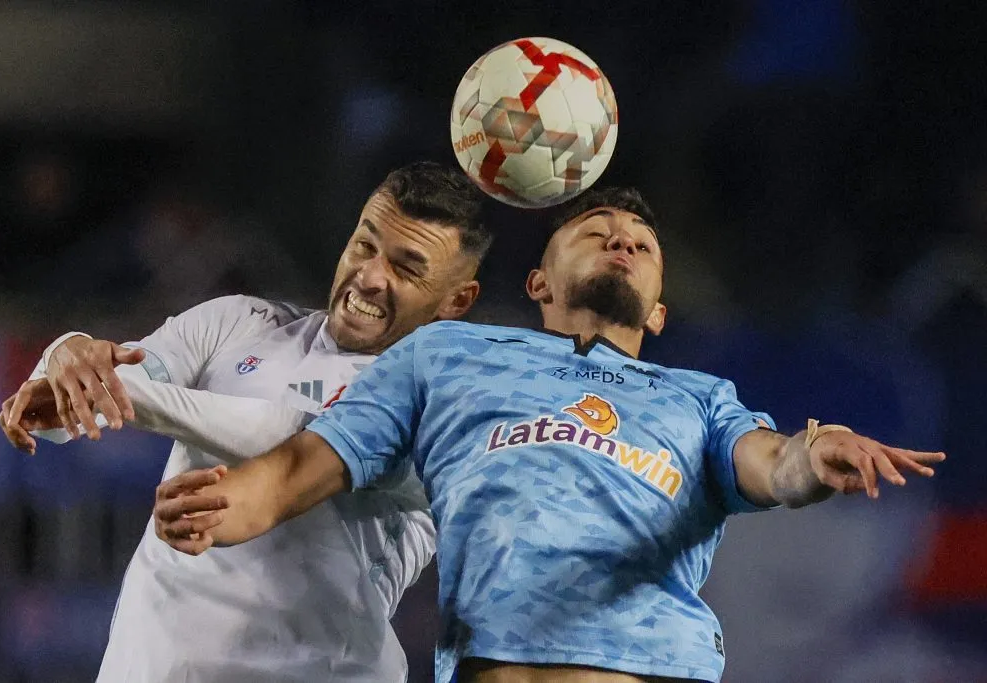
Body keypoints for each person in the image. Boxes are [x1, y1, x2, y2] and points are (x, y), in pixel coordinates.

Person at [154, 185, 946, 683]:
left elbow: (769, 463)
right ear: (538, 282)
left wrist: (813, 456)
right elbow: (309, 463)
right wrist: (231, 502)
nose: (622, 241)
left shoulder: (698, 398)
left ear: (659, 312)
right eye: (597, 231)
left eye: (642, 243)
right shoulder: (447, 357)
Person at [0, 161, 493, 683]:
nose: (369, 277)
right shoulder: (237, 323)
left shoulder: (445, 410)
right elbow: (84, 403)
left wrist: (138, 399)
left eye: (406, 269)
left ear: (456, 300)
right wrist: (67, 356)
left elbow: (296, 443)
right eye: (364, 245)